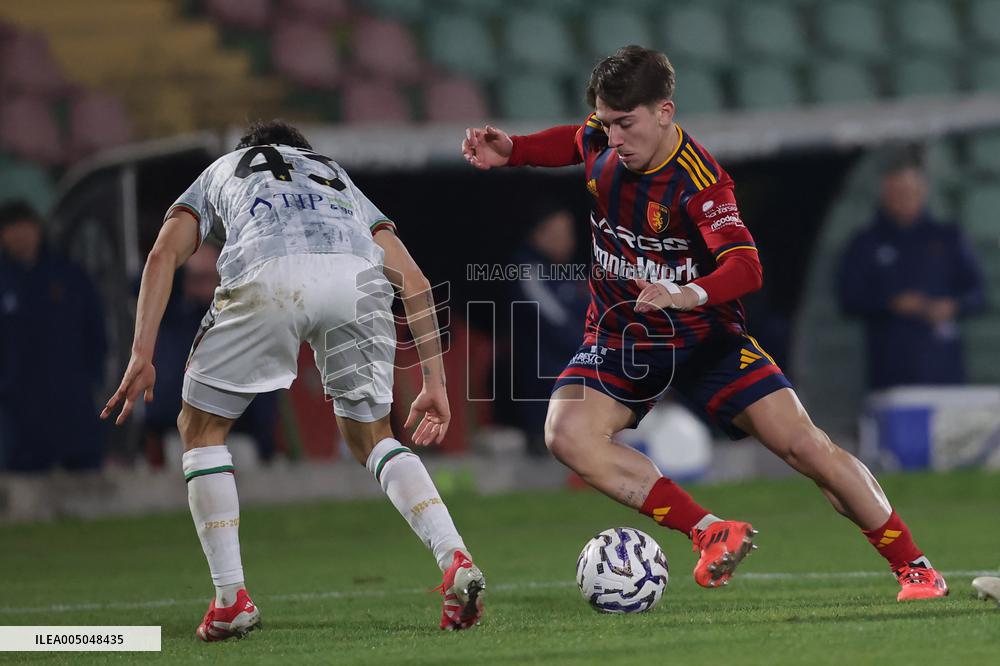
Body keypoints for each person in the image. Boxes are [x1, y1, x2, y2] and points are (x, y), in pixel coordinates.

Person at [461, 46, 947, 601]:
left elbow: (746, 265)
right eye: (607, 122)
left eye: (627, 123)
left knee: (808, 449)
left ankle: (914, 566)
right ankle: (709, 530)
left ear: (664, 112)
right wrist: (516, 150)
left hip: (706, 338)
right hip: (624, 335)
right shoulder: (601, 137)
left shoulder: (700, 181)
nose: (613, 137)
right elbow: (574, 138)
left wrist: (684, 294)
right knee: (567, 434)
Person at [102, 120, 486, 640]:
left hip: (269, 274)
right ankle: (455, 556)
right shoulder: (335, 176)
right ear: (303, 154)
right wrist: (433, 382)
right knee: (374, 438)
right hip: (356, 280)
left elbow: (163, 254)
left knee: (200, 429)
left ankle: (230, 599)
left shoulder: (223, 169)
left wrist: (141, 352)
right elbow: (414, 281)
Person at [837, 156, 986, 390]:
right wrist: (892, 304)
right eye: (896, 191)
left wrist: (952, 306)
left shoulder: (949, 237)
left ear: (922, 191)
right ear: (884, 193)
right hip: (890, 370)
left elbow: (978, 293)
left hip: (945, 368)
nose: (903, 198)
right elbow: (849, 298)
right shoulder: (866, 242)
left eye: (910, 190)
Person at [141, 241, 280, 467]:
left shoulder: (242, 319)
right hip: (183, 435)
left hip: (237, 434)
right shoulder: (173, 320)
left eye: (208, 277)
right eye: (195, 277)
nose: (201, 286)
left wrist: (264, 440)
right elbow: (147, 279)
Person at [0, 200, 106, 472]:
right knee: (24, 482)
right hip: (17, 404)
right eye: (12, 229)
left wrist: (93, 376)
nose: (20, 235)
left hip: (71, 396)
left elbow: (95, 330)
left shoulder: (67, 274)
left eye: (26, 227)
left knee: (84, 473)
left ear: (38, 230)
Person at [508, 201, 590, 452]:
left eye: (568, 233)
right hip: (546, 385)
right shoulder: (527, 270)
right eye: (557, 234)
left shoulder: (567, 272)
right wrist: (597, 349)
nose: (566, 241)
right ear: (537, 235)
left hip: (577, 378)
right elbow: (554, 322)